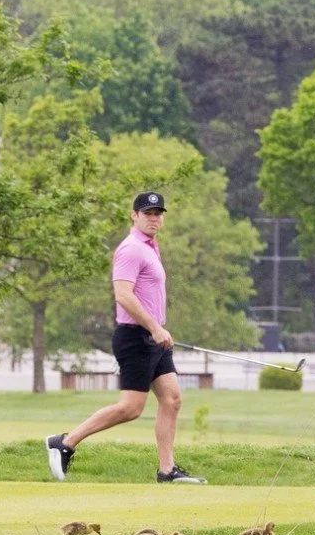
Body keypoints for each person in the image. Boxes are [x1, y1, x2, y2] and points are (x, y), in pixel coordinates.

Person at [44, 191, 206, 485]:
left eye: (158, 214)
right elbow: (123, 295)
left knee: (171, 399)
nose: (154, 219)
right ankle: (65, 442)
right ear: (134, 215)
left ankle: (167, 471)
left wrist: (157, 330)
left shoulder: (150, 247)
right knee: (131, 408)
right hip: (136, 337)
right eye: (148, 213)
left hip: (154, 337)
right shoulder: (131, 249)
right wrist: (154, 328)